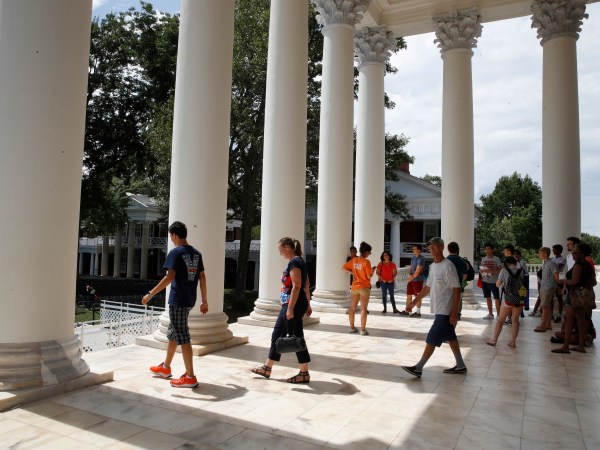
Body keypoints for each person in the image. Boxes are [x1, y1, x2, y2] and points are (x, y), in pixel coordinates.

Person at [143, 221, 207, 388]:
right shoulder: (197, 253)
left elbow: (169, 277)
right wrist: (204, 301)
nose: (171, 239)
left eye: (171, 236)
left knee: (183, 337)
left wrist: (150, 294)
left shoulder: (175, 253)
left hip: (178, 300)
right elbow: (202, 277)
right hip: (189, 300)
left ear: (175, 235)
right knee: (173, 333)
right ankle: (165, 368)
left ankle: (190, 377)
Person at [401, 238, 467, 377]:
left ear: (442, 247)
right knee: (451, 337)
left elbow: (456, 290)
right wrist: (414, 302)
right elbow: (427, 288)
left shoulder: (448, 266)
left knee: (432, 337)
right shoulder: (433, 266)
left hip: (446, 309)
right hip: (438, 308)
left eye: (434, 247)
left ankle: (419, 367)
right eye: (430, 248)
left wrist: (454, 313)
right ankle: (460, 365)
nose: (432, 251)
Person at [251, 237, 312, 383]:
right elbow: (307, 284)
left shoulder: (295, 262)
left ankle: (304, 373)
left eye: (280, 250)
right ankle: (267, 367)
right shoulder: (299, 261)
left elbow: (298, 286)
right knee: (277, 335)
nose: (280, 254)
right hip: (292, 304)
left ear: (287, 247)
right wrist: (308, 304)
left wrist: (290, 308)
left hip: (293, 305)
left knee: (297, 337)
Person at [552, 243, 596, 354]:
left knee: (569, 321)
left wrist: (562, 281)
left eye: (576, 252)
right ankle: (581, 346)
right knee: (581, 321)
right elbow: (593, 281)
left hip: (575, 295)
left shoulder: (578, 265)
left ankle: (565, 346)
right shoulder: (588, 264)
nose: (573, 254)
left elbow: (574, 281)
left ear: (582, 254)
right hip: (584, 296)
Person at [487, 257, 526, 348]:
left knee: (500, 320)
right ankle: (513, 342)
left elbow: (498, 284)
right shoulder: (521, 271)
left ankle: (494, 340)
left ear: (506, 263)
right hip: (519, 299)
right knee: (515, 320)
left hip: (507, 300)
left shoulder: (504, 271)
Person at [343, 241, 374, 335]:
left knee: (352, 308)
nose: (370, 254)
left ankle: (352, 328)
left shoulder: (354, 260)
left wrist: (353, 273)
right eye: (369, 252)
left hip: (355, 286)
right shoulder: (366, 262)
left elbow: (344, 267)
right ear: (366, 252)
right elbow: (369, 276)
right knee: (364, 309)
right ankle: (363, 330)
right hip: (364, 286)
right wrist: (372, 271)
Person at [534, 247, 559, 333]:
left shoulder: (551, 263)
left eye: (540, 253)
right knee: (546, 306)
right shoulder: (545, 263)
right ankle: (548, 324)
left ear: (545, 254)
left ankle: (543, 325)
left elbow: (556, 276)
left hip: (549, 287)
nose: (539, 255)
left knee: (544, 306)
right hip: (544, 286)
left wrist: (557, 286)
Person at [400, 244, 425, 317]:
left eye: (414, 249)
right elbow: (410, 268)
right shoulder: (413, 258)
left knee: (417, 296)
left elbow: (418, 271)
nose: (413, 250)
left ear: (419, 250)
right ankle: (408, 311)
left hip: (418, 280)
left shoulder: (421, 259)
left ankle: (418, 312)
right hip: (411, 280)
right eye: (413, 249)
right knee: (409, 295)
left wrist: (412, 277)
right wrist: (409, 276)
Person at [446, 242, 468, 320]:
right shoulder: (462, 261)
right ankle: (457, 313)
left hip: (447, 285)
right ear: (458, 250)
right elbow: (465, 276)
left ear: (448, 249)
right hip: (458, 284)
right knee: (458, 299)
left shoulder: (445, 260)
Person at [480, 243, 502, 320]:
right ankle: (490, 314)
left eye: (489, 249)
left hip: (494, 281)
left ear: (492, 250)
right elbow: (481, 269)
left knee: (496, 298)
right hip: (485, 281)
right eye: (486, 249)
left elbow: (500, 270)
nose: (487, 250)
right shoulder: (483, 259)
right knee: (487, 297)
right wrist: (482, 271)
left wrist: (491, 271)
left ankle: (499, 315)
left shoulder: (496, 259)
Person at [550, 244, 567, 322]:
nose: (553, 251)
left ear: (559, 250)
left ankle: (559, 315)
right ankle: (551, 314)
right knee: (551, 298)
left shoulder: (562, 259)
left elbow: (557, 268)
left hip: (559, 279)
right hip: (551, 279)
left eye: (555, 249)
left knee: (559, 297)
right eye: (553, 249)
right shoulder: (552, 258)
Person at [514, 249, 529, 316]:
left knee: (522, 295)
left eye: (517, 254)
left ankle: (521, 310)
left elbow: (518, 268)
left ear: (520, 255)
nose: (515, 255)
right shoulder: (513, 262)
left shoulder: (522, 262)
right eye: (514, 254)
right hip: (515, 280)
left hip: (523, 280)